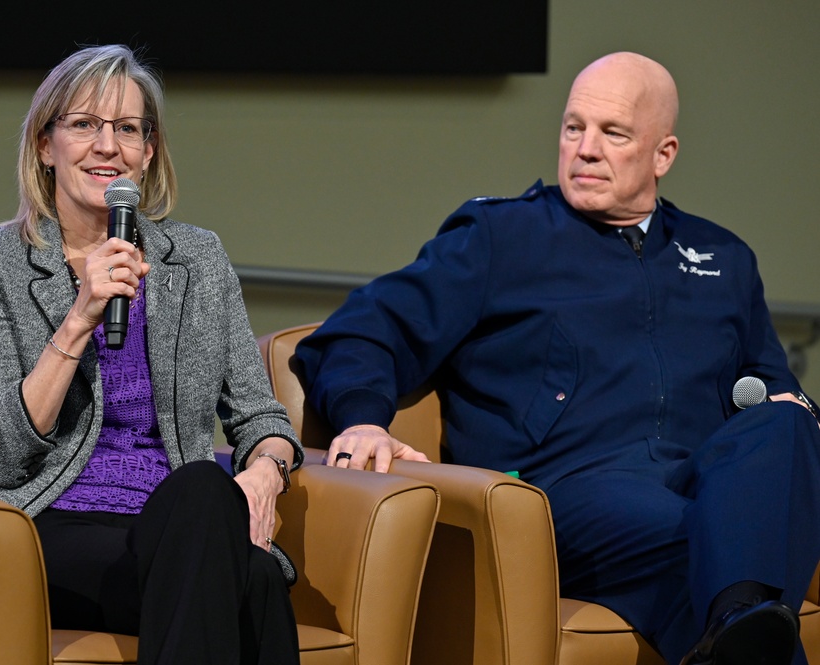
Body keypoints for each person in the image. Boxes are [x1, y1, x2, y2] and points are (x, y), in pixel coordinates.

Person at [295, 51, 820, 665]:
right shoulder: (500, 238)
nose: (586, 149)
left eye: (613, 133)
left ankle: (736, 625)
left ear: (663, 155)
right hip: (565, 493)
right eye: (574, 128)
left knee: (786, 423)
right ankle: (742, 611)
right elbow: (362, 332)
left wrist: (793, 415)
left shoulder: (724, 257)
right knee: (729, 544)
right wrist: (362, 417)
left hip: (700, 485)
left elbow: (774, 394)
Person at [0, 44, 303, 664]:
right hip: (46, 520)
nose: (107, 146)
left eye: (128, 129)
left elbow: (259, 415)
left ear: (148, 152)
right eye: (83, 125)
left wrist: (267, 472)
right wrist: (80, 316)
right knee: (256, 578)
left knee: (199, 492)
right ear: (45, 146)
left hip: (175, 524)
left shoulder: (197, 260)